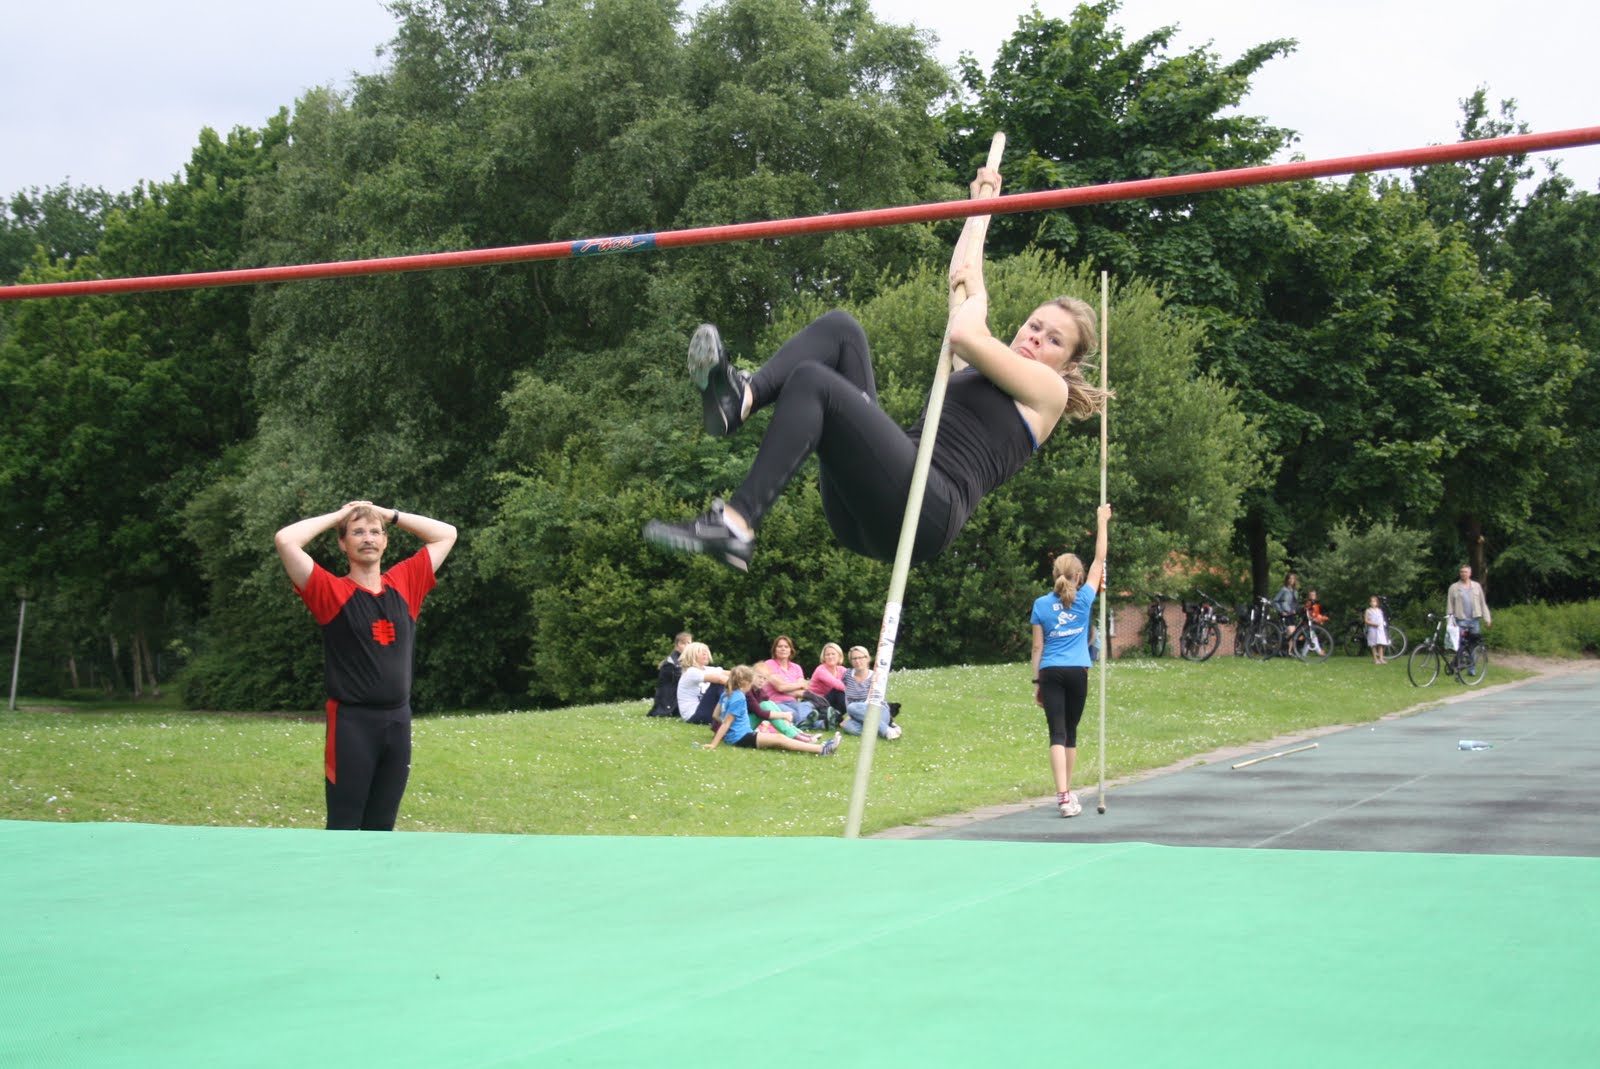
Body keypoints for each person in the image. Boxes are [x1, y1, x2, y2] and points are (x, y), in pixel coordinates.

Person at [643, 164, 1109, 571]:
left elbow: (966, 331)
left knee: (814, 382)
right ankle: (740, 399)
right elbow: (962, 280)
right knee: (841, 331)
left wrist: (981, 296)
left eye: (1054, 340)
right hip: (876, 497)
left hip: (925, 511)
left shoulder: (1049, 392)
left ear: (1068, 363)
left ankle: (736, 524)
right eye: (1034, 325)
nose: (1035, 337)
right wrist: (980, 210)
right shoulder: (981, 364)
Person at [274, 500, 458, 831]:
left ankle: (377, 873)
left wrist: (390, 515)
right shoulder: (330, 591)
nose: (368, 538)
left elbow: (446, 534)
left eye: (375, 532)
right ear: (342, 543)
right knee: (344, 826)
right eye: (357, 532)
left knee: (382, 827)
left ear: (386, 541)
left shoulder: (405, 583)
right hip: (352, 725)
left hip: (398, 722)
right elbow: (286, 540)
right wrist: (339, 516)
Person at [1030, 503, 1111, 818]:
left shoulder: (1040, 604)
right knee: (1071, 733)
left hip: (1050, 671)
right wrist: (1102, 521)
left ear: (1055, 575)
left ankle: (1063, 796)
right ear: (1078, 577)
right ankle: (1067, 794)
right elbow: (1100, 560)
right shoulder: (1085, 598)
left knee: (1057, 733)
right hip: (1077, 671)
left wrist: (1036, 682)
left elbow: (1037, 647)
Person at [703, 666, 841, 755]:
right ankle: (822, 749)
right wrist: (714, 744)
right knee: (779, 739)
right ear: (744, 683)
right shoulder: (739, 697)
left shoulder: (726, 693)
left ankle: (818, 746)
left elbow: (716, 715)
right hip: (740, 737)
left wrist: (730, 730)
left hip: (739, 734)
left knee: (777, 740)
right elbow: (726, 722)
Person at [841, 644, 901, 740]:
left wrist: (852, 710)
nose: (857, 661)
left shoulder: (876, 676)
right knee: (848, 726)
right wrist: (850, 716)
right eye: (854, 658)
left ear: (867, 658)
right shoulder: (847, 675)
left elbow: (876, 700)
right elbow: (847, 696)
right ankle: (888, 729)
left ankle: (886, 730)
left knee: (852, 707)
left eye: (860, 657)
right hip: (857, 715)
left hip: (878, 710)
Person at [757, 635, 811, 722]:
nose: (783, 649)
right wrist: (797, 685)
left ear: (790, 650)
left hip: (793, 702)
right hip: (776, 703)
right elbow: (780, 687)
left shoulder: (796, 667)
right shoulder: (768, 664)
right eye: (780, 646)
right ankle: (814, 723)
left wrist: (786, 687)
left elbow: (803, 689)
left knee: (807, 706)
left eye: (786, 647)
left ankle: (813, 723)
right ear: (775, 649)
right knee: (794, 714)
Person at [675, 641, 730, 727]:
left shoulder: (707, 669)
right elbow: (720, 679)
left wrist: (748, 675)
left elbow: (732, 673)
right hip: (694, 715)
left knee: (726, 681)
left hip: (704, 711)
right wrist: (742, 686)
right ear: (691, 655)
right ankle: (730, 713)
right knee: (718, 684)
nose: (705, 654)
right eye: (701, 651)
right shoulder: (690, 671)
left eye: (706, 651)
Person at [647, 631, 692, 717]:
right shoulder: (672, 662)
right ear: (677, 645)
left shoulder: (684, 659)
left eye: (689, 643)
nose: (687, 646)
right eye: (684, 643)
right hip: (669, 702)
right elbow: (684, 680)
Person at [1446, 565, 1492, 647]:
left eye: (1465, 572)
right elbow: (1450, 606)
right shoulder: (1453, 588)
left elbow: (1482, 603)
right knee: (1460, 645)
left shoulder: (1477, 586)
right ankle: (1460, 655)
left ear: (1470, 573)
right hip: (1460, 620)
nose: (1463, 574)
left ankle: (1472, 656)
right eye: (1461, 572)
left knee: (1474, 645)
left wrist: (1487, 618)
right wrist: (1449, 622)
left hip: (1474, 620)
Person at [806, 642, 849, 724]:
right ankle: (834, 718)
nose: (830, 657)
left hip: (827, 702)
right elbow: (837, 684)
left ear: (839, 656)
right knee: (838, 691)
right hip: (814, 702)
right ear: (824, 657)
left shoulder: (842, 670)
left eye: (833, 654)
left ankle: (834, 717)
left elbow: (853, 681)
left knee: (843, 694)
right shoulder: (821, 670)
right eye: (827, 655)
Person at [1364, 596, 1390, 665]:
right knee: (1373, 644)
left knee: (1380, 644)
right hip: (1372, 629)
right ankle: (1375, 659)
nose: (1373, 603)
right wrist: (1373, 624)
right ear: (1370, 603)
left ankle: (1381, 658)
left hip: (1380, 629)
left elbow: (1381, 619)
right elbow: (1366, 621)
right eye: (1372, 601)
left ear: (1377, 603)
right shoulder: (1368, 611)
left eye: (1374, 601)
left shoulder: (1379, 610)